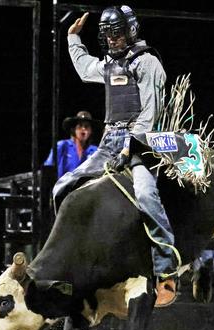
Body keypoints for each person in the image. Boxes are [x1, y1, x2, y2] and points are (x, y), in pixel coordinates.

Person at [56, 6, 175, 307]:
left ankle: (166, 269)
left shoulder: (147, 63)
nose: (112, 39)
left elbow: (151, 110)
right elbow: (85, 69)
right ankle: (68, 259)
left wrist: (131, 145)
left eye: (117, 33)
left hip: (143, 143)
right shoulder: (110, 65)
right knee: (62, 188)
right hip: (110, 142)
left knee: (147, 195)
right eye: (107, 34)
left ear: (131, 30)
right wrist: (72, 39)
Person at [44, 110, 99, 179]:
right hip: (62, 188)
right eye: (80, 126)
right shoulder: (62, 146)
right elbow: (48, 168)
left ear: (91, 131)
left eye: (86, 126)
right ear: (73, 129)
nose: (83, 129)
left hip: (85, 189)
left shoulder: (95, 151)